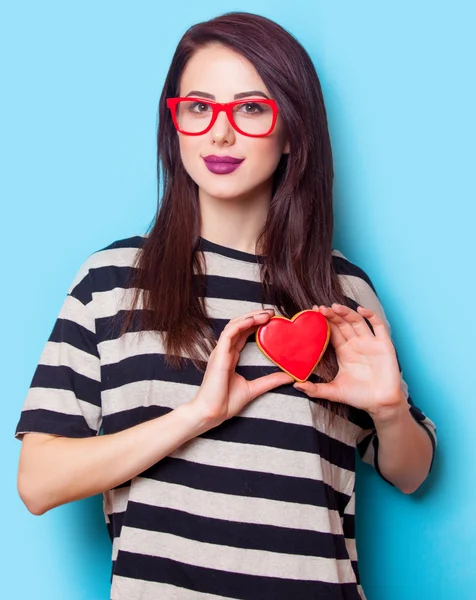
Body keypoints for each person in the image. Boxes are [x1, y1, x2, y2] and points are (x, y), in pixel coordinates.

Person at [15, 11, 437, 600]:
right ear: (176, 125)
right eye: (197, 107)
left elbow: (412, 473)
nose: (219, 133)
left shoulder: (342, 293)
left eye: (251, 108)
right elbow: (37, 483)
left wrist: (391, 412)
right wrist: (198, 415)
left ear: (293, 130)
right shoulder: (110, 282)